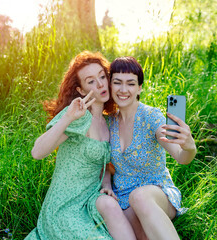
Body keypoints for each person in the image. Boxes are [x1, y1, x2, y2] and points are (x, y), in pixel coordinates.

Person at [25, 51, 136, 240]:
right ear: (81, 90)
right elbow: (37, 152)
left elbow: (105, 162)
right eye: (91, 81)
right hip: (65, 206)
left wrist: (107, 183)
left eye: (102, 76)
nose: (100, 84)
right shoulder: (78, 115)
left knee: (111, 206)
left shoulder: (110, 123)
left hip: (91, 201)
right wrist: (68, 117)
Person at [107, 56, 197, 239]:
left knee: (139, 197)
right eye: (117, 82)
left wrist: (190, 148)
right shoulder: (108, 122)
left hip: (156, 194)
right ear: (110, 85)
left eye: (130, 84)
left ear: (139, 87)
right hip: (122, 199)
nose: (123, 90)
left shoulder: (150, 116)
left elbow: (181, 157)